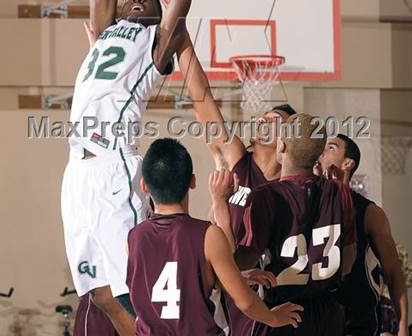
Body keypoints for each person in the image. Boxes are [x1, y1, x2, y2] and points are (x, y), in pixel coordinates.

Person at [61, 0, 230, 336]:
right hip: (76, 174)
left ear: (157, 19)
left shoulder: (155, 45)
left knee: (132, 286)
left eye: (147, 0)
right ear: (117, 11)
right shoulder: (103, 33)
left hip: (114, 165)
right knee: (97, 290)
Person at [157, 0, 297, 334]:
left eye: (275, 121)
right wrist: (182, 34)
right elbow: (203, 99)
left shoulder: (292, 183)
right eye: (263, 116)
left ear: (288, 142)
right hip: (219, 289)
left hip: (267, 295)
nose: (264, 119)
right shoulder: (237, 160)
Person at [126, 138, 304, 335]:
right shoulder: (208, 235)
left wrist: (236, 277)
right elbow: (244, 302)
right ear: (193, 182)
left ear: (143, 186)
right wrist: (273, 318)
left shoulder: (133, 238)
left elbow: (174, 282)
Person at [213, 113, 357, 335]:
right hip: (329, 315)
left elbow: (237, 264)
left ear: (281, 146)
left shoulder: (266, 196)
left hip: (284, 314)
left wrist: (220, 205)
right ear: (318, 155)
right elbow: (347, 263)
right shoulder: (340, 191)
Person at [318, 134, 409, 336]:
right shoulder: (307, 203)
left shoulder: (370, 213)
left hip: (356, 319)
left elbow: (393, 272)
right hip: (317, 319)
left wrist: (402, 327)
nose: (322, 150)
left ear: (347, 163)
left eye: (331, 147)